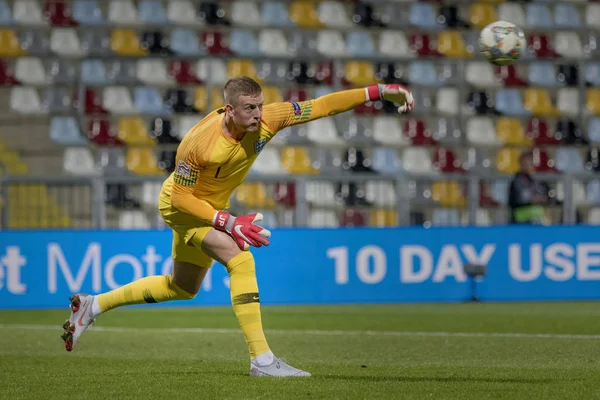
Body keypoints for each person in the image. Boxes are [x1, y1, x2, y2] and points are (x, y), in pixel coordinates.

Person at [60, 77, 414, 377]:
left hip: (211, 209)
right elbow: (181, 199)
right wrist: (225, 221)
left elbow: (321, 106)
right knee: (240, 259)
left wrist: (377, 91)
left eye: (259, 105)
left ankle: (92, 306)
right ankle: (262, 360)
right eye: (249, 108)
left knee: (181, 288)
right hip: (182, 208)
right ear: (229, 110)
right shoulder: (199, 144)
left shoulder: (268, 120)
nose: (258, 114)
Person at [508, 150, 549, 224]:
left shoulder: (538, 179)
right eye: (525, 163)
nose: (528, 165)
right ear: (521, 164)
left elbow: (547, 195)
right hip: (521, 217)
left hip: (537, 216)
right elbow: (515, 200)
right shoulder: (516, 180)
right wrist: (532, 200)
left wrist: (543, 198)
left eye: (530, 162)